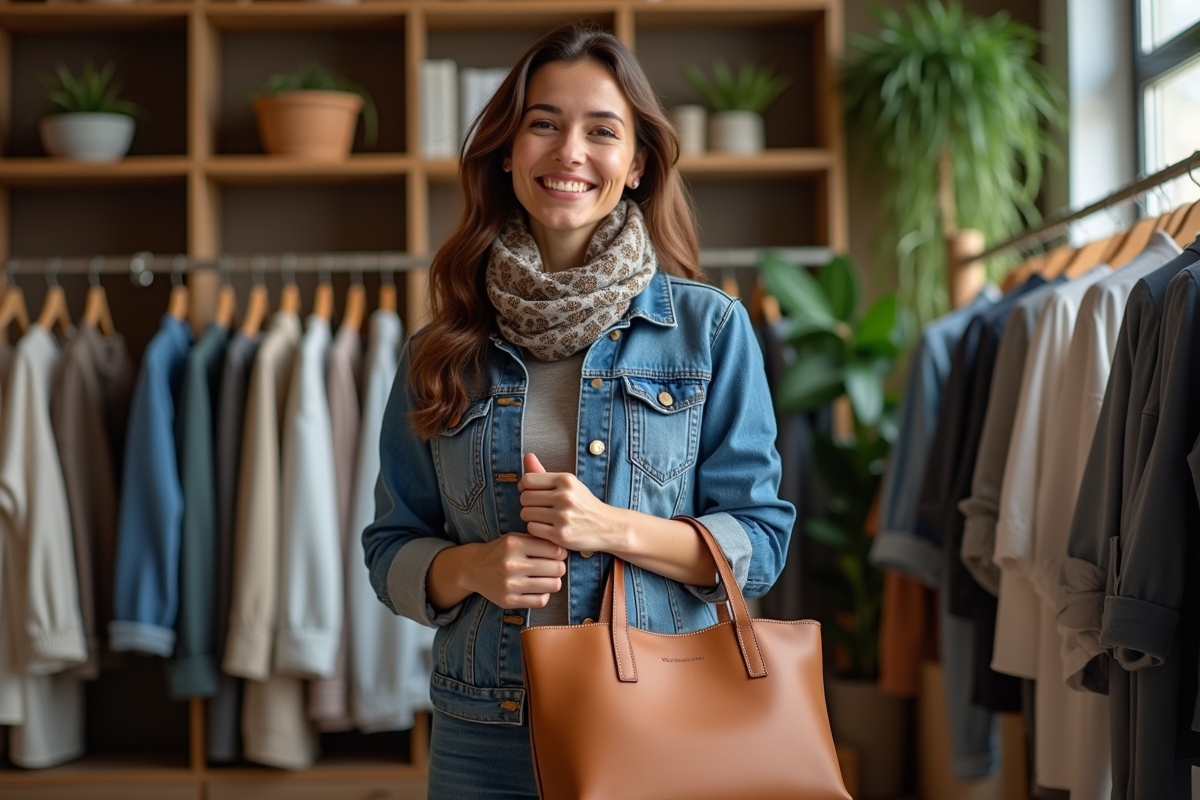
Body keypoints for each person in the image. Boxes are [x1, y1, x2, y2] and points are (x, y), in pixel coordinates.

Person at [362, 21, 795, 799]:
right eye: (544, 124)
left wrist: (610, 529)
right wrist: (472, 568)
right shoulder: (440, 349)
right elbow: (389, 547)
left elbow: (762, 543)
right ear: (506, 151)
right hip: (484, 732)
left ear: (635, 166)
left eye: (602, 131)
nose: (569, 152)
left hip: (662, 719)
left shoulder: (711, 331)